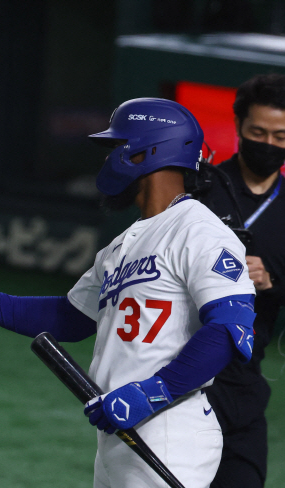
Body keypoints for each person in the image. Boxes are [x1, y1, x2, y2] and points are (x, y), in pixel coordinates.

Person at [0, 98, 256, 487]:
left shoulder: (199, 230)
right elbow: (70, 318)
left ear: (146, 152)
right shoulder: (123, 245)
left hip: (170, 428)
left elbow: (231, 329)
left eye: (117, 147)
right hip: (118, 427)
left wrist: (151, 394)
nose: (109, 159)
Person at [187, 73, 285, 488]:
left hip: (245, 385)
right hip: (186, 378)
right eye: (258, 132)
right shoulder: (201, 191)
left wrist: (272, 282)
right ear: (239, 128)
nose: (268, 143)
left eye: (280, 136)